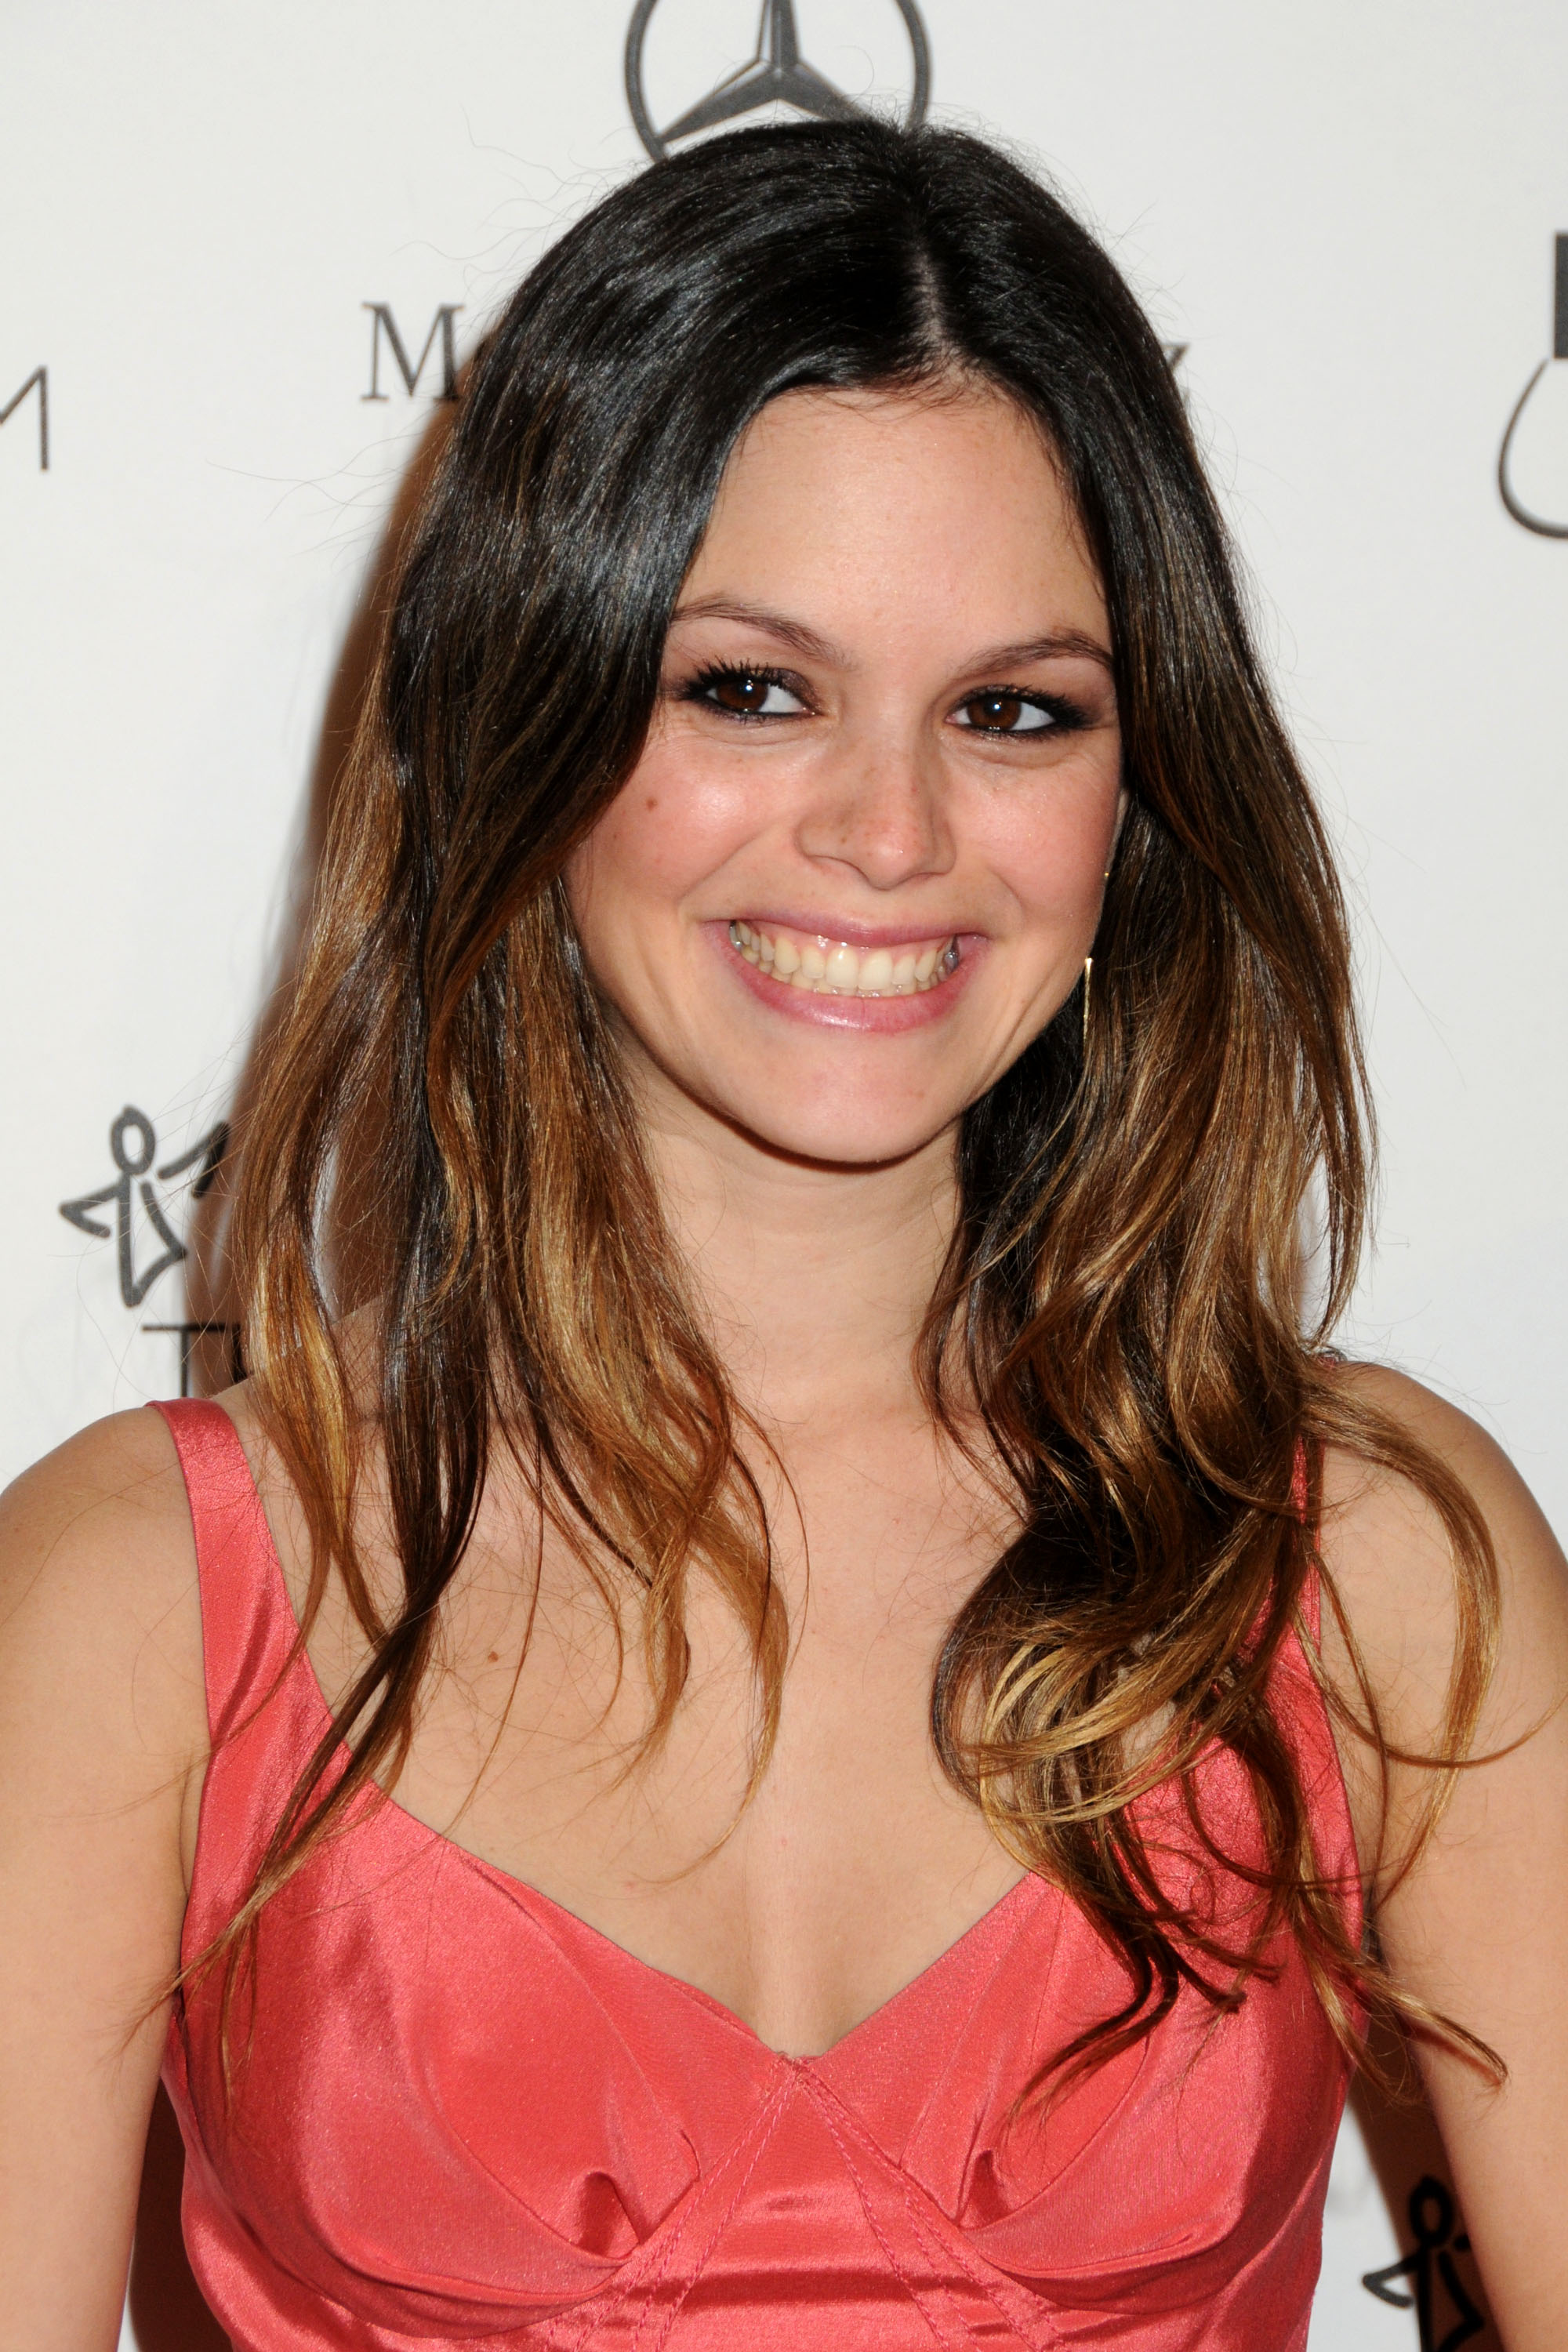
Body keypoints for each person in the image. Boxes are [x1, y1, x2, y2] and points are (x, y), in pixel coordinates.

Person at [2, 117, 1564, 2352]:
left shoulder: (1379, 1564)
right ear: (529, 715)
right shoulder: (139, 1609)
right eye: (751, 687)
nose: (892, 830)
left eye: (1014, 712)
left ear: (1137, 803)